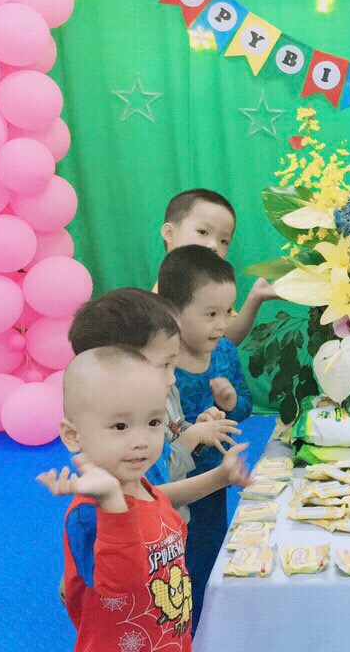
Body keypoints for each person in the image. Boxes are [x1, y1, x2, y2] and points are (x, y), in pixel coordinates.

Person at [38, 347, 251, 652]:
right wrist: (112, 504)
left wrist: (221, 476)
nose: (141, 441)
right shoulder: (90, 513)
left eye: (153, 422)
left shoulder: (147, 489)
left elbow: (169, 540)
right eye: (120, 426)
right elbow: (121, 585)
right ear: (73, 436)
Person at [68, 287, 242, 519]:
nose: (173, 378)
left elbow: (174, 431)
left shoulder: (165, 393)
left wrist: (197, 430)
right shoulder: (108, 433)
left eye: (174, 365)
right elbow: (146, 497)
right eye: (165, 365)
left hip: (168, 527)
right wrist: (217, 476)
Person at [157, 244, 252, 630]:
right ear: (173, 313)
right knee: (170, 562)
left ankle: (204, 625)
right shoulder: (159, 367)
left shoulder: (224, 352)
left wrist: (231, 402)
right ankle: (178, 626)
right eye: (210, 314)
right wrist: (195, 431)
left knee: (210, 551)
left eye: (228, 312)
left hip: (214, 479)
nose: (221, 324)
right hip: (168, 484)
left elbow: (244, 406)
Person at [159, 188, 278, 346]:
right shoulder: (158, 299)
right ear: (169, 233)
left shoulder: (214, 290)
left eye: (224, 241)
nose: (213, 245)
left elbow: (225, 338)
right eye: (203, 232)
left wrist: (256, 297)